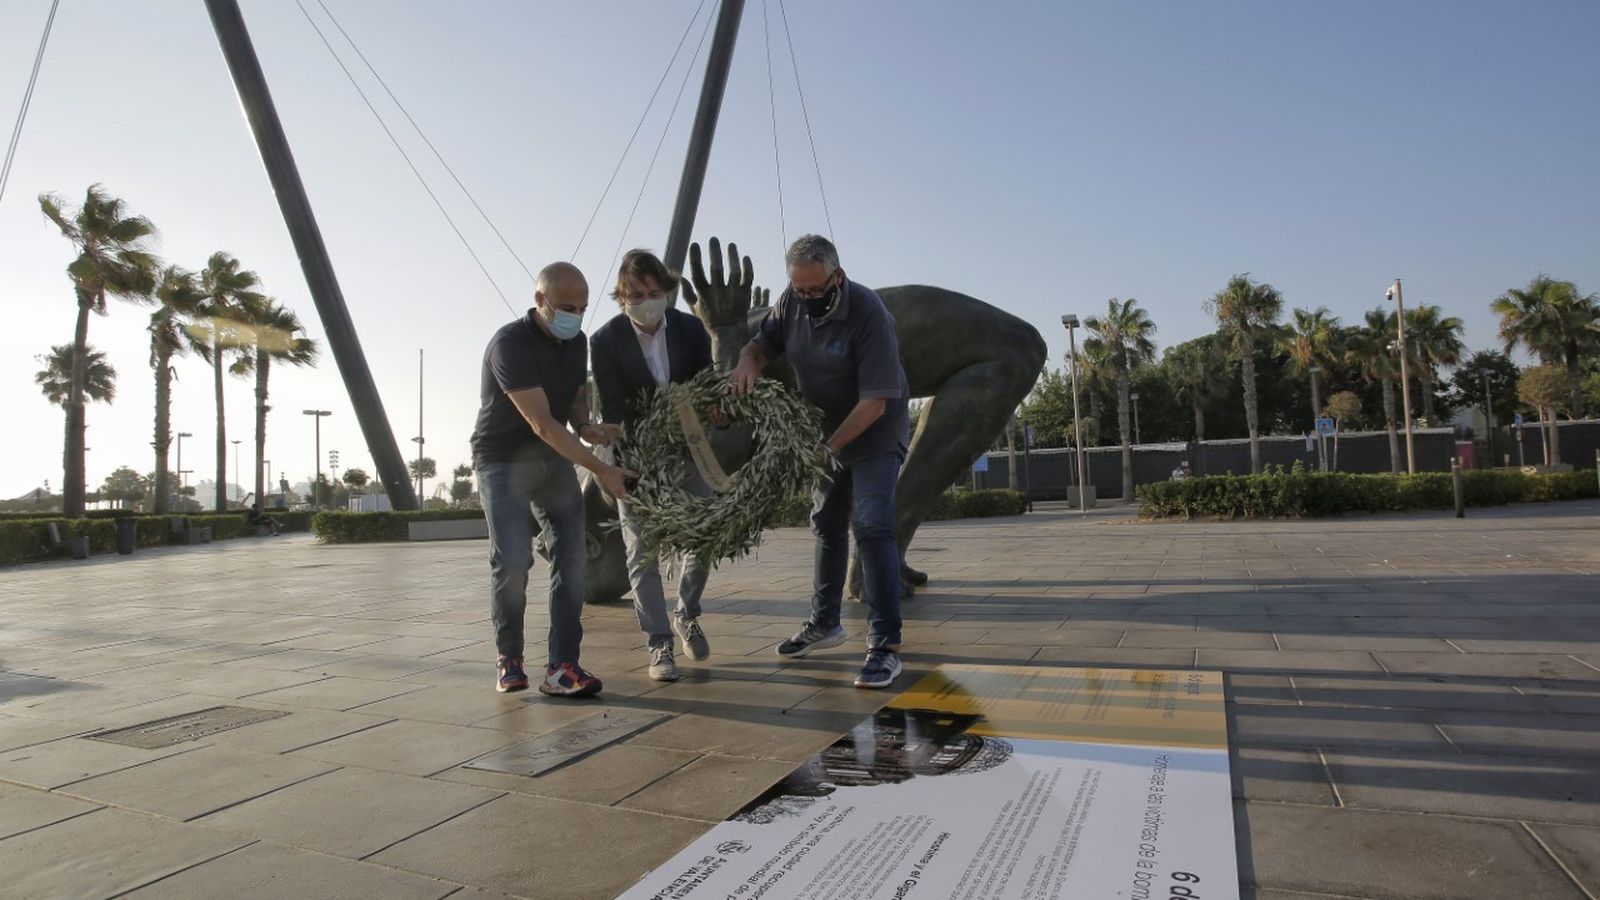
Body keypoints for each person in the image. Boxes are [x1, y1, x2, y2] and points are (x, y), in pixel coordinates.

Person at [729, 234, 911, 689]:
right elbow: (759, 346)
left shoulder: (869, 314)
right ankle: (824, 623)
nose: (806, 298)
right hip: (824, 432)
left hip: (874, 432)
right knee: (826, 523)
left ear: (837, 277)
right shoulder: (789, 303)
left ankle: (885, 644)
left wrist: (829, 449)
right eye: (799, 289)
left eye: (815, 289)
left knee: (871, 525)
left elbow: (875, 403)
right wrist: (747, 363)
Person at [470, 261, 635, 697]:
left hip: (552, 462)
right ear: (539, 300)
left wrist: (586, 426)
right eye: (565, 307)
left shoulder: (575, 340)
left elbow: (575, 396)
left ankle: (563, 666)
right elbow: (542, 423)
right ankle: (510, 656)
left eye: (581, 308)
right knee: (512, 560)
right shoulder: (509, 345)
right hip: (502, 462)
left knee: (573, 556)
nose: (575, 317)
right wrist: (602, 469)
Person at [590, 249, 719, 682]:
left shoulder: (690, 329)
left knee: (702, 537)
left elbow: (705, 383)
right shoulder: (605, 341)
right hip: (636, 455)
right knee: (641, 554)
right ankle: (659, 644)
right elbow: (615, 407)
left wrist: (711, 409)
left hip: (689, 450)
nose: (645, 301)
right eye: (635, 294)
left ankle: (687, 613)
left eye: (653, 292)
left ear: (666, 291)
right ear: (621, 297)